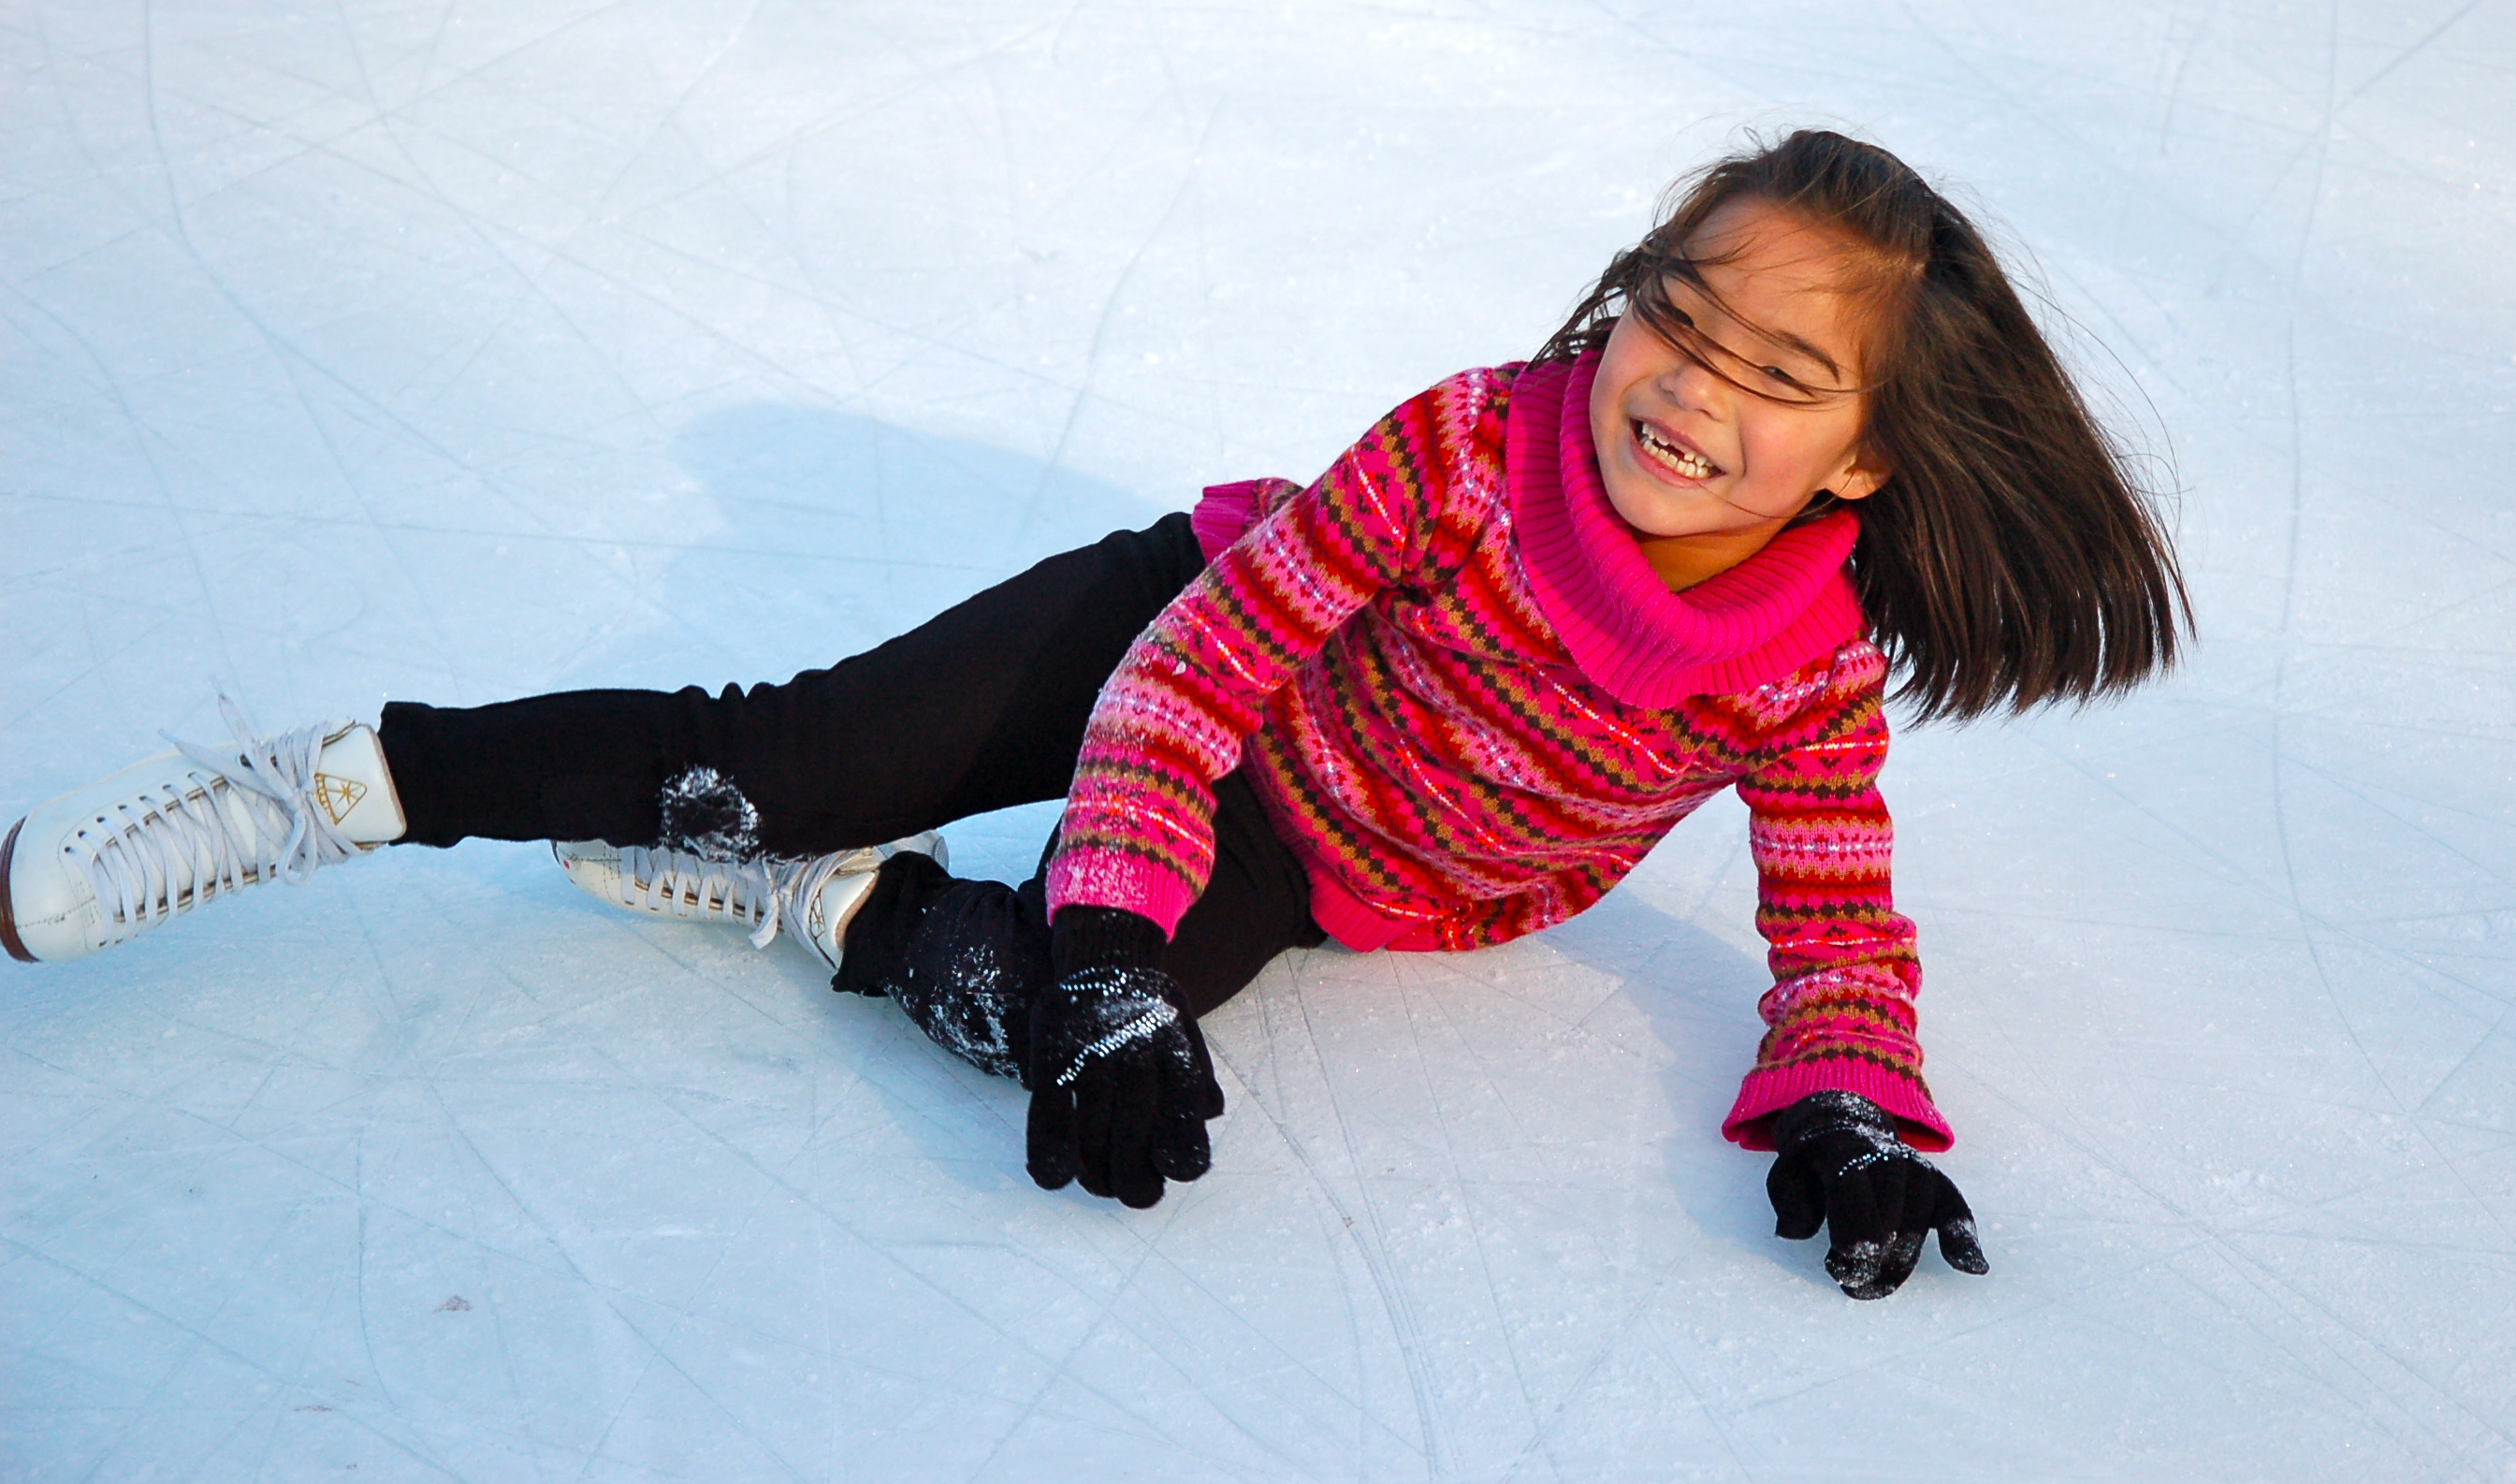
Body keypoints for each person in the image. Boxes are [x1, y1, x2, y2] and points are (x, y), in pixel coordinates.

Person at [1, 130, 2188, 1301]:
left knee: (1078, 1033)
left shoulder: (1796, 665)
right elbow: (1203, 670)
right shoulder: (1467, 447)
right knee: (774, 753)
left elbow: (1835, 910)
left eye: (1776, 379)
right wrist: (1127, 920)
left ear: (1872, 459)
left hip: (1333, 854)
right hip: (1179, 636)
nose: (1689, 394)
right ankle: (335, 783)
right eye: (1673, 320)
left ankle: (843, 920)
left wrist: (1850, 1099)